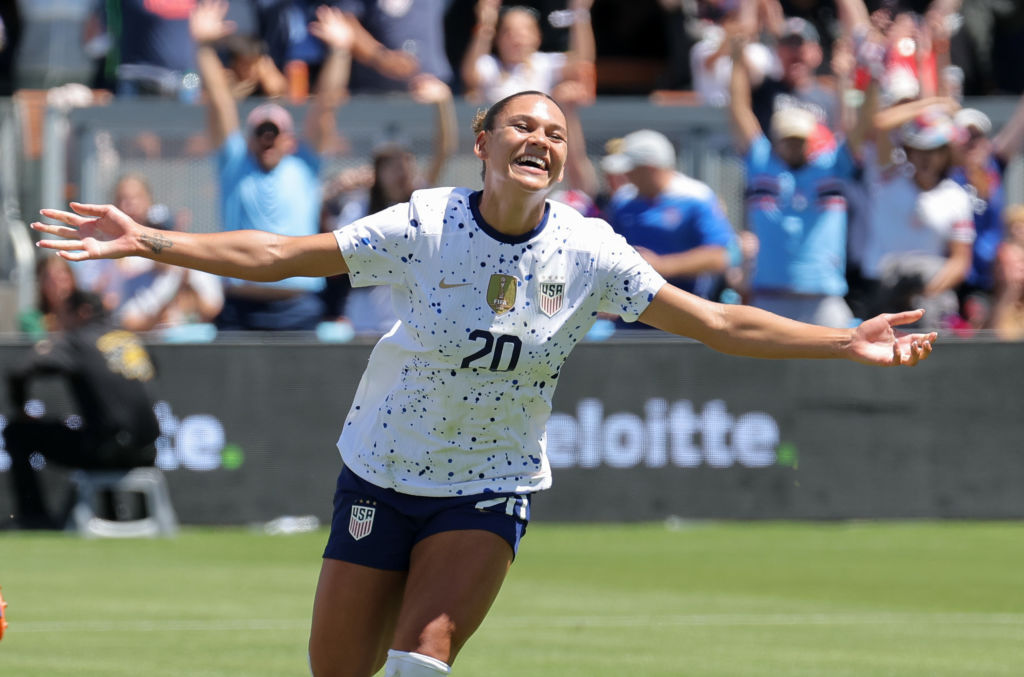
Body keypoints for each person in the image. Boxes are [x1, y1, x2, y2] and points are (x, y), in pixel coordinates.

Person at [33, 90, 936, 677]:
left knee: (423, 655)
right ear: (483, 143)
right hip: (380, 470)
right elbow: (280, 254)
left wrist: (841, 338)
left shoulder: (589, 252)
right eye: (522, 126)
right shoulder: (425, 225)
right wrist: (151, 239)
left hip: (488, 481)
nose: (539, 138)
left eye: (554, 131)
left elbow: (720, 322)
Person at [190, 0, 353, 330]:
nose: (268, 140)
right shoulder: (235, 164)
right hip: (239, 308)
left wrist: (340, 52)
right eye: (260, 133)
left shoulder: (304, 166)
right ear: (248, 138)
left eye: (274, 133)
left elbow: (325, 107)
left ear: (289, 140)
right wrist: (204, 47)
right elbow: (221, 104)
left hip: (300, 308)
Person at [729, 25, 870, 328]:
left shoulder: (831, 165)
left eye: (798, 139)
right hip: (767, 296)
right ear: (775, 138)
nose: (792, 144)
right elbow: (739, 110)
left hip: (823, 297)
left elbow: (856, 129)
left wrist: (858, 79)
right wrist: (738, 63)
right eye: (786, 138)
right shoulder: (762, 161)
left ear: (811, 138)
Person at [4, 290, 160, 530]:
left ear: (82, 312)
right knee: (102, 427)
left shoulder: (78, 340)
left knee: (16, 432)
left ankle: (34, 518)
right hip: (149, 450)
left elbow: (21, 370)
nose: (59, 322)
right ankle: (113, 513)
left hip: (106, 450)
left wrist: (21, 406)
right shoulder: (128, 338)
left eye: (63, 314)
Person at [605, 129, 735, 302]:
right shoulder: (622, 201)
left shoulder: (696, 198)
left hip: (687, 308)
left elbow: (719, 257)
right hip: (629, 312)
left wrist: (661, 265)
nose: (626, 175)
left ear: (650, 168)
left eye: (631, 169)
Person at [461, 0, 595, 104]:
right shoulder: (491, 66)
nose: (516, 39)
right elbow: (470, 75)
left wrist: (580, 13)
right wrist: (486, 24)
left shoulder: (544, 64)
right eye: (508, 32)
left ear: (538, 37)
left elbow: (582, 61)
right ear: (497, 38)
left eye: (524, 32)